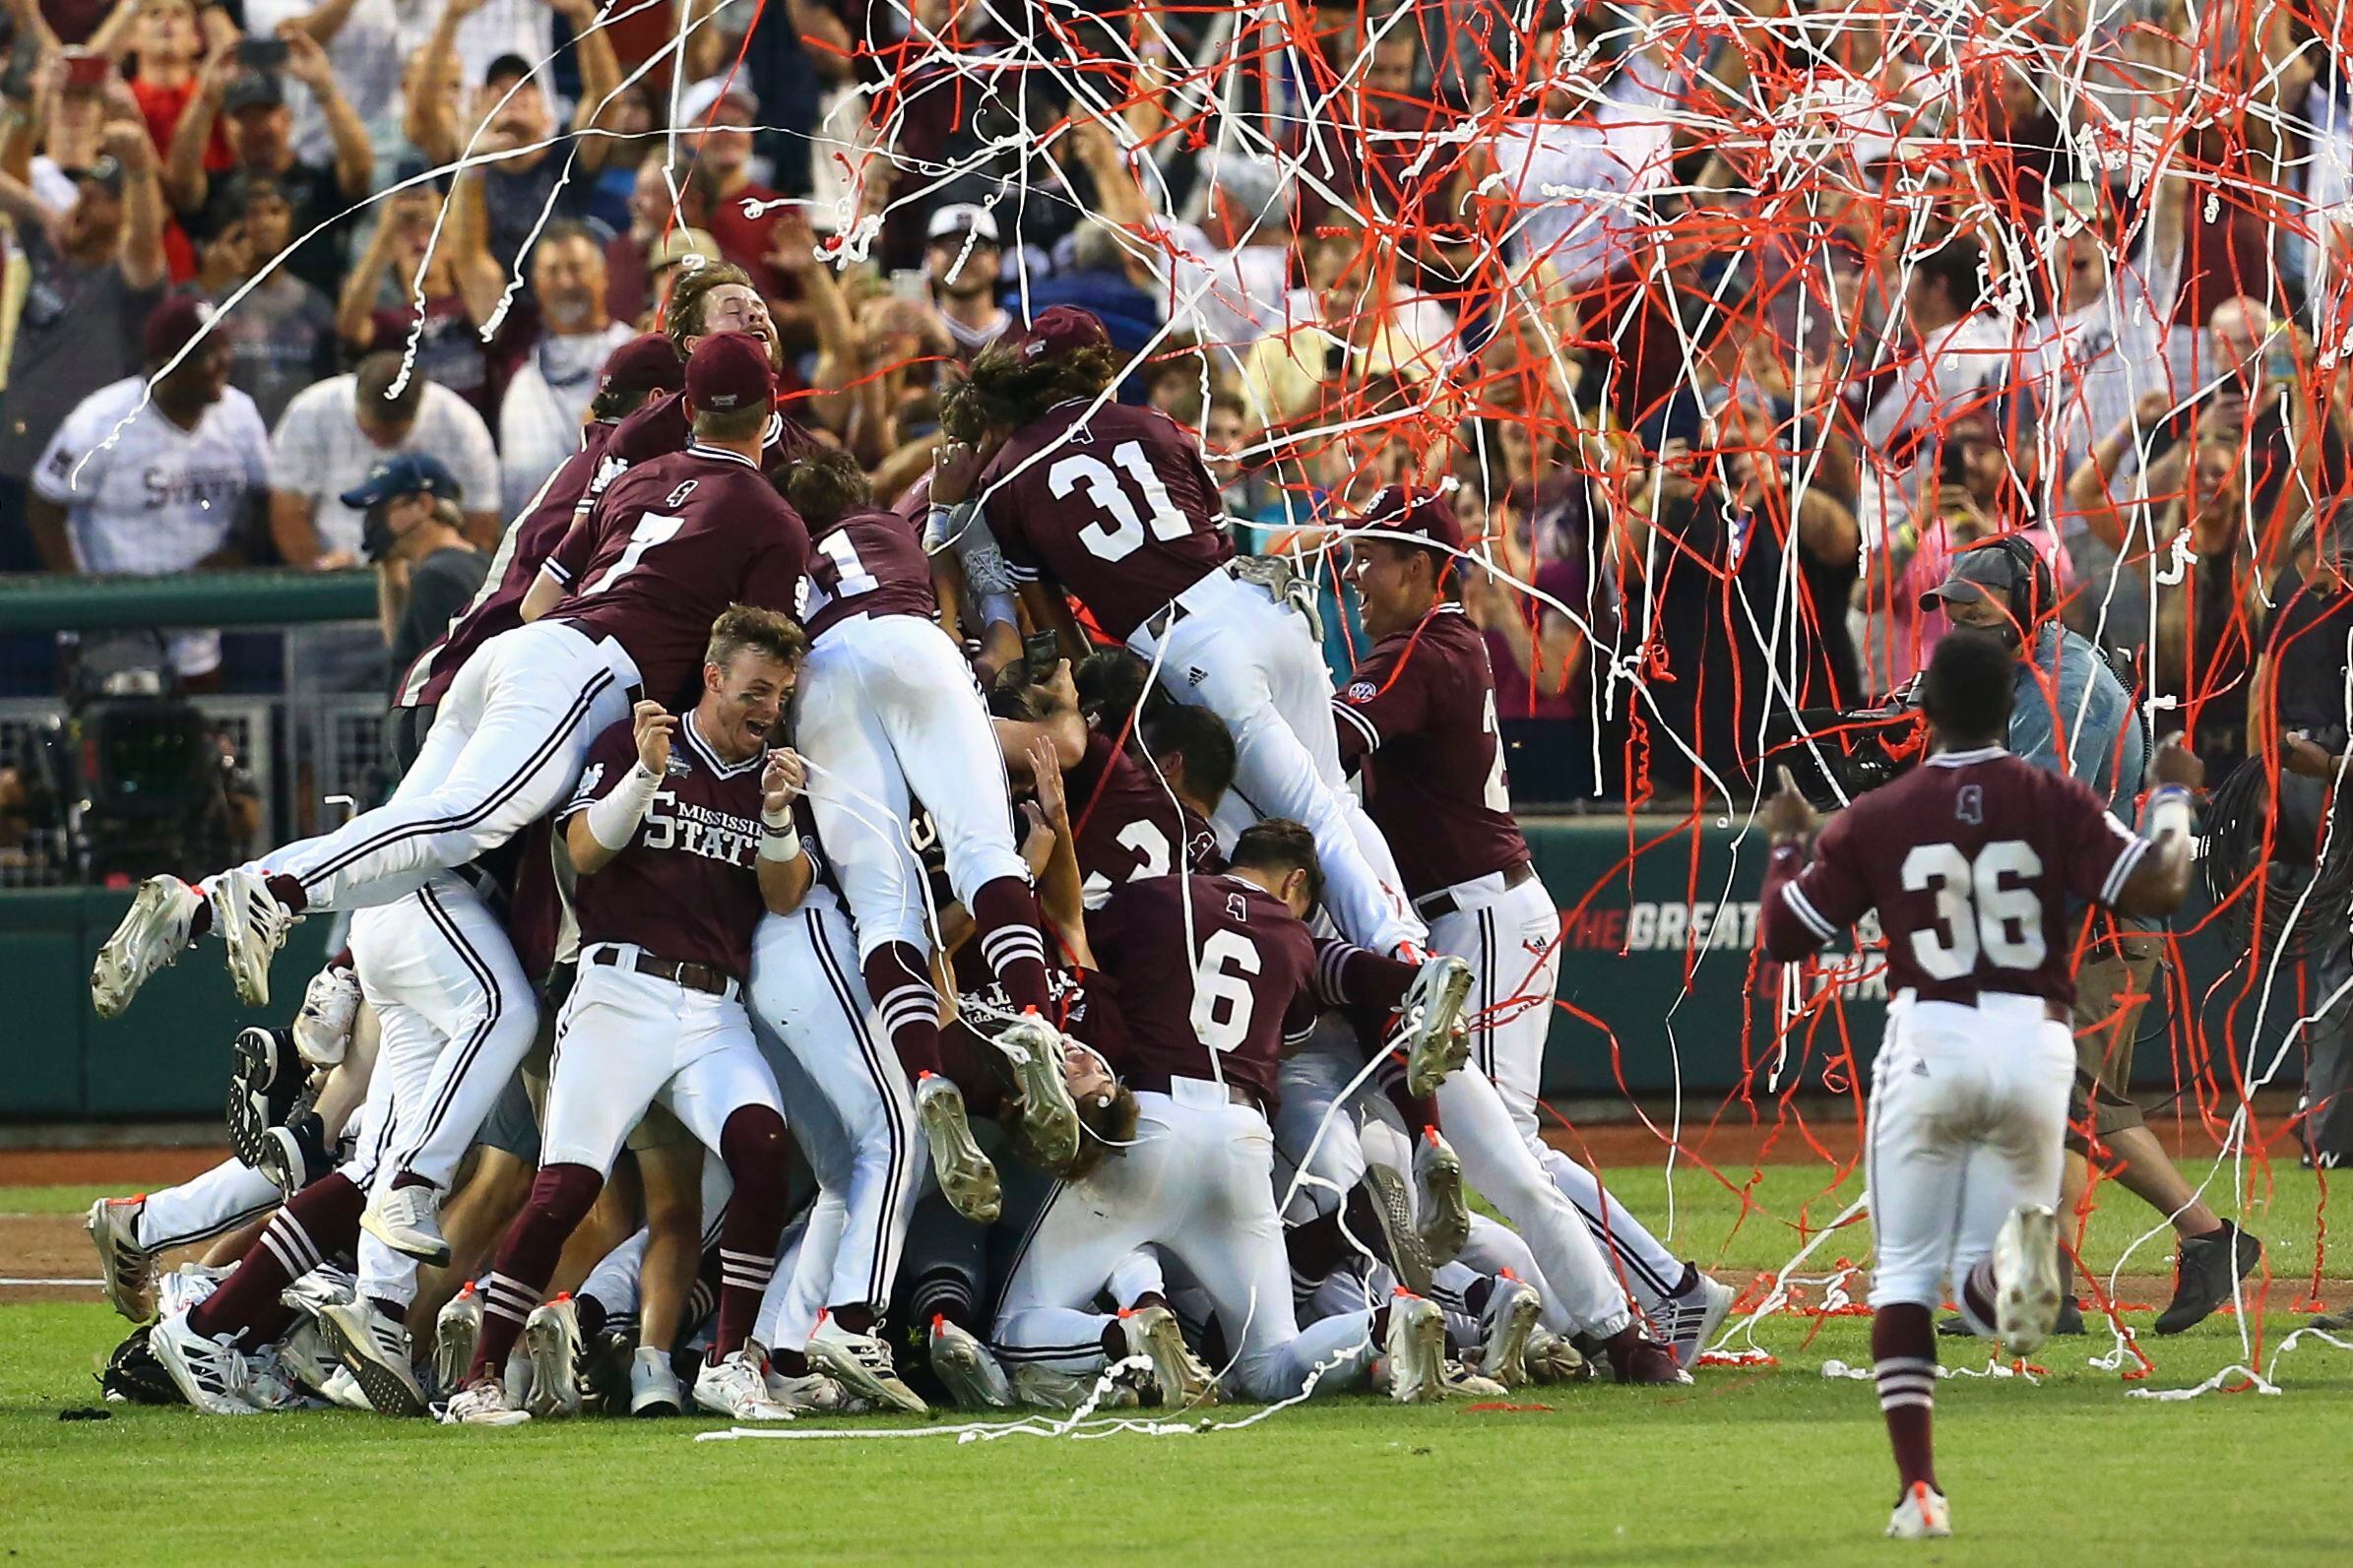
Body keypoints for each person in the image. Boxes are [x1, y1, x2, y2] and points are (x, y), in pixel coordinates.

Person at [86, 333, 799, 1033]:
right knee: (459, 822)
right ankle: (276, 892)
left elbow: (534, 603)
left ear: (691, 406)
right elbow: (759, 658)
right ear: (769, 411)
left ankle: (201, 905)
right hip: (588, 673)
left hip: (518, 653)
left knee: (413, 842)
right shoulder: (771, 516)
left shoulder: (640, 475)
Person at [1756, 629, 2196, 1539]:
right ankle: (2018, 1277)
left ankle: (1920, 1489)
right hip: (2034, 1047)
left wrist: (1788, 847)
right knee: (1983, 1288)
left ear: (1926, 714)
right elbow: (2158, 886)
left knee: (1907, 1280)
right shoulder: (2052, 795)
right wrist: (2175, 797)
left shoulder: (1884, 812)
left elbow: (1787, 937)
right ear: (2012, 708)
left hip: (1932, 1039)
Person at [1337, 486, 1734, 1365]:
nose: (1355, 572)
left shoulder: (1420, 648)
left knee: (1502, 1142)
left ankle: (1668, 1290)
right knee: (1489, 1139)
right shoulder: (1444, 642)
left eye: (1373, 554)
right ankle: (1596, 1301)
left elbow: (1328, 741)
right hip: (1483, 906)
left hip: (1474, 911)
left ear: (1424, 566)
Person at [936, 306, 1428, 961]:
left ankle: (1395, 957)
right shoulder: (1154, 425)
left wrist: (1113, 696)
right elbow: (1214, 535)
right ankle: (1407, 942)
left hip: (1187, 642)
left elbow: (1049, 618)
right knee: (1334, 797)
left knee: (1290, 816)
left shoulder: (1007, 478)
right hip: (1263, 599)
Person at [442, 606, 814, 1425]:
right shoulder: (637, 741)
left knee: (762, 1150)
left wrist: (781, 816)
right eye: (758, 689)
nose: (770, 709)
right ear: (713, 677)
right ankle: (477, 1378)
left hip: (715, 1006)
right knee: (566, 1186)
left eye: (782, 695)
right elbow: (581, 851)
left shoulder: (770, 777)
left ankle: (728, 1362)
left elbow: (785, 893)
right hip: (619, 991)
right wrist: (645, 774)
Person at [989, 821, 1469, 1404]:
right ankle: (1384, 1326)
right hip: (1242, 1139)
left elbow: (1079, 945)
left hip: (1147, 1123)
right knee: (1270, 1366)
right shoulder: (1293, 940)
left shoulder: (1157, 895)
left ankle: (1123, 1335)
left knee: (1016, 1328)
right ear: (1295, 884)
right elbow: (1290, 1036)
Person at [1918, 534, 2260, 1333]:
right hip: (2076, 927)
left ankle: (2052, 1287)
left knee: (2057, 1105)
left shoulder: (2068, 686)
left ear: (2023, 609)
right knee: (2087, 1111)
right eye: (1952, 616)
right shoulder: (2024, 672)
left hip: (2099, 930)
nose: (1957, 631)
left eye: (1974, 614)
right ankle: (2187, 1249)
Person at [778, 449, 1076, 1221]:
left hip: (819, 678)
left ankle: (924, 1078)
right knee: (984, 848)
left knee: (883, 910)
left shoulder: (778, 552)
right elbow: (950, 514)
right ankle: (1035, 1022)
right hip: (912, 643)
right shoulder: (887, 520)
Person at [391, 333, 685, 766]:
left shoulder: (595, 458)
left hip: (454, 687)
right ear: (656, 400)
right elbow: (539, 606)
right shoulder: (621, 471)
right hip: (473, 698)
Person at [25, 293, 266, 688]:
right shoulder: (102, 420)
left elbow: (265, 494)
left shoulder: (239, 414)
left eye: (225, 346)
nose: (223, 362)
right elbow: (43, 503)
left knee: (199, 734)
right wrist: (79, 593)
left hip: (195, 617)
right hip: (115, 618)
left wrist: (239, 547)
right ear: (166, 362)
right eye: (206, 353)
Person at [0, 129, 169, 565]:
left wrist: (139, 170)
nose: (85, 202)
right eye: (84, 192)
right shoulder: (47, 250)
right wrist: (44, 213)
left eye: (101, 198)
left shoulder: (127, 278)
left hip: (80, 479)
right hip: (12, 462)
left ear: (124, 213)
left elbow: (147, 240)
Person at [163, 37, 370, 297]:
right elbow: (179, 182)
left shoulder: (318, 185)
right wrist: (205, 99)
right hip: (228, 328)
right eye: (243, 118)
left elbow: (360, 170)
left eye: (264, 114)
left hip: (315, 327)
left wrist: (324, 87)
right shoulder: (217, 190)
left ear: (286, 118)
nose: (256, 128)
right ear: (226, 127)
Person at [266, 351, 500, 570]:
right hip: (336, 569)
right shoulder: (312, 411)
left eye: (392, 436)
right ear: (358, 400)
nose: (379, 443)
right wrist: (319, 566)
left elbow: (481, 523)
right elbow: (287, 510)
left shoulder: (461, 425)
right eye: (371, 432)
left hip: (429, 571)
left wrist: (438, 571)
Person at [496, 220, 634, 520]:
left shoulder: (634, 352)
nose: (566, 283)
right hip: (522, 533)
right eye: (553, 271)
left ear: (604, 274)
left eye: (576, 268)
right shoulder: (517, 347)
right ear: (535, 281)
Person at [346, 451, 483, 689]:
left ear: (423, 504)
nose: (373, 523)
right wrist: (390, 573)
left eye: (381, 510)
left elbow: (436, 685)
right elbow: (404, 654)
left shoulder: (438, 577)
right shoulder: (479, 562)